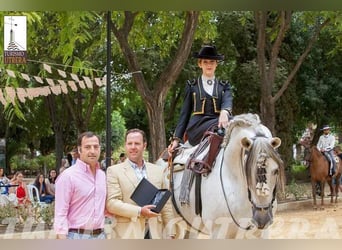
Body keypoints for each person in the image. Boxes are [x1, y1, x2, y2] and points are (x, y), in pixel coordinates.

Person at [106, 128, 176, 239]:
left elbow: (166, 204)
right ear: (125, 146)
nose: (133, 147)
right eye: (130, 143)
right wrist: (139, 211)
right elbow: (112, 203)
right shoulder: (114, 171)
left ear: (144, 145)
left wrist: (171, 233)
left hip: (155, 233)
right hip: (128, 234)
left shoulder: (158, 171)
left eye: (137, 143)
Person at [169, 44, 233, 153]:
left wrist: (225, 112)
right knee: (225, 126)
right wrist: (176, 139)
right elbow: (184, 114)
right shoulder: (192, 85)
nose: (209, 65)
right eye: (205, 62)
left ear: (216, 64)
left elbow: (228, 100)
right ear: (200, 64)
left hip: (220, 123)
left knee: (237, 122)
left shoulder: (224, 86)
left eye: (212, 62)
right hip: (198, 126)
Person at [54, 131, 107, 239]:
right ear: (79, 149)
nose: (92, 151)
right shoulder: (68, 176)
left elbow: (105, 207)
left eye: (96, 147)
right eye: (87, 147)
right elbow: (60, 214)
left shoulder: (102, 175)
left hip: (101, 235)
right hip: (76, 236)